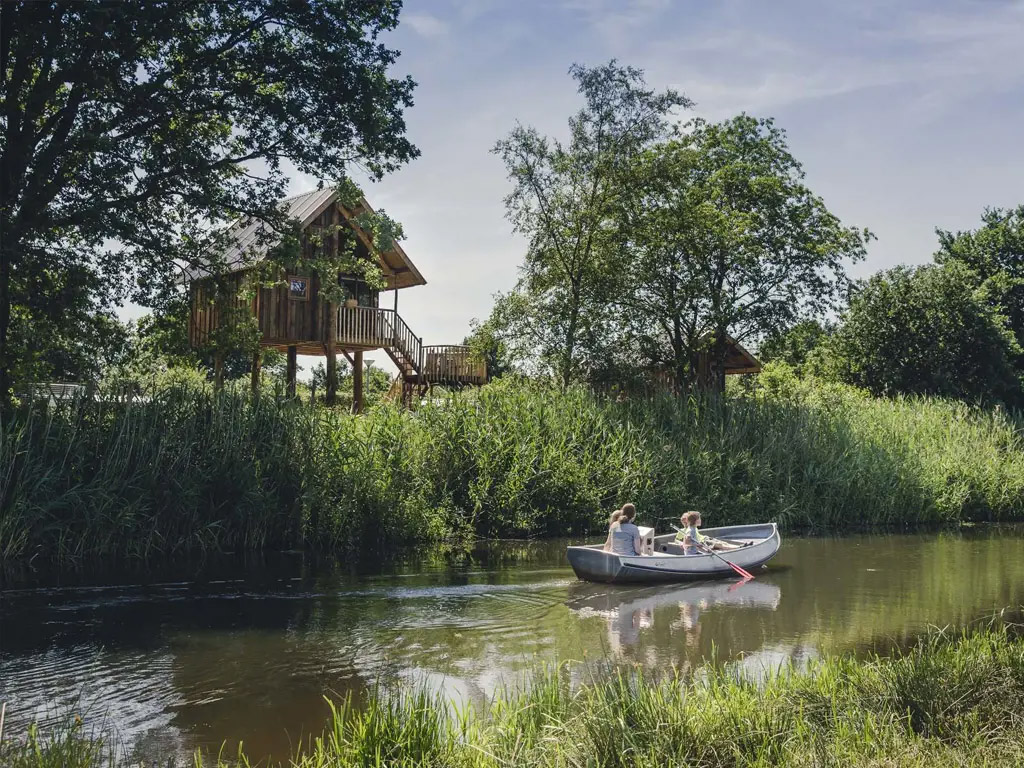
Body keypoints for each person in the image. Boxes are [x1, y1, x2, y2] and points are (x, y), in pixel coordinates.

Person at [676, 510, 743, 555]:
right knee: (715, 550)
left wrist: (700, 547)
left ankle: (740, 547)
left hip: (695, 551)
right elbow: (686, 543)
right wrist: (697, 545)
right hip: (692, 554)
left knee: (713, 550)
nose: (700, 520)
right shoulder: (690, 530)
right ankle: (739, 548)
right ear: (695, 520)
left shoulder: (693, 528)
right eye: (699, 518)